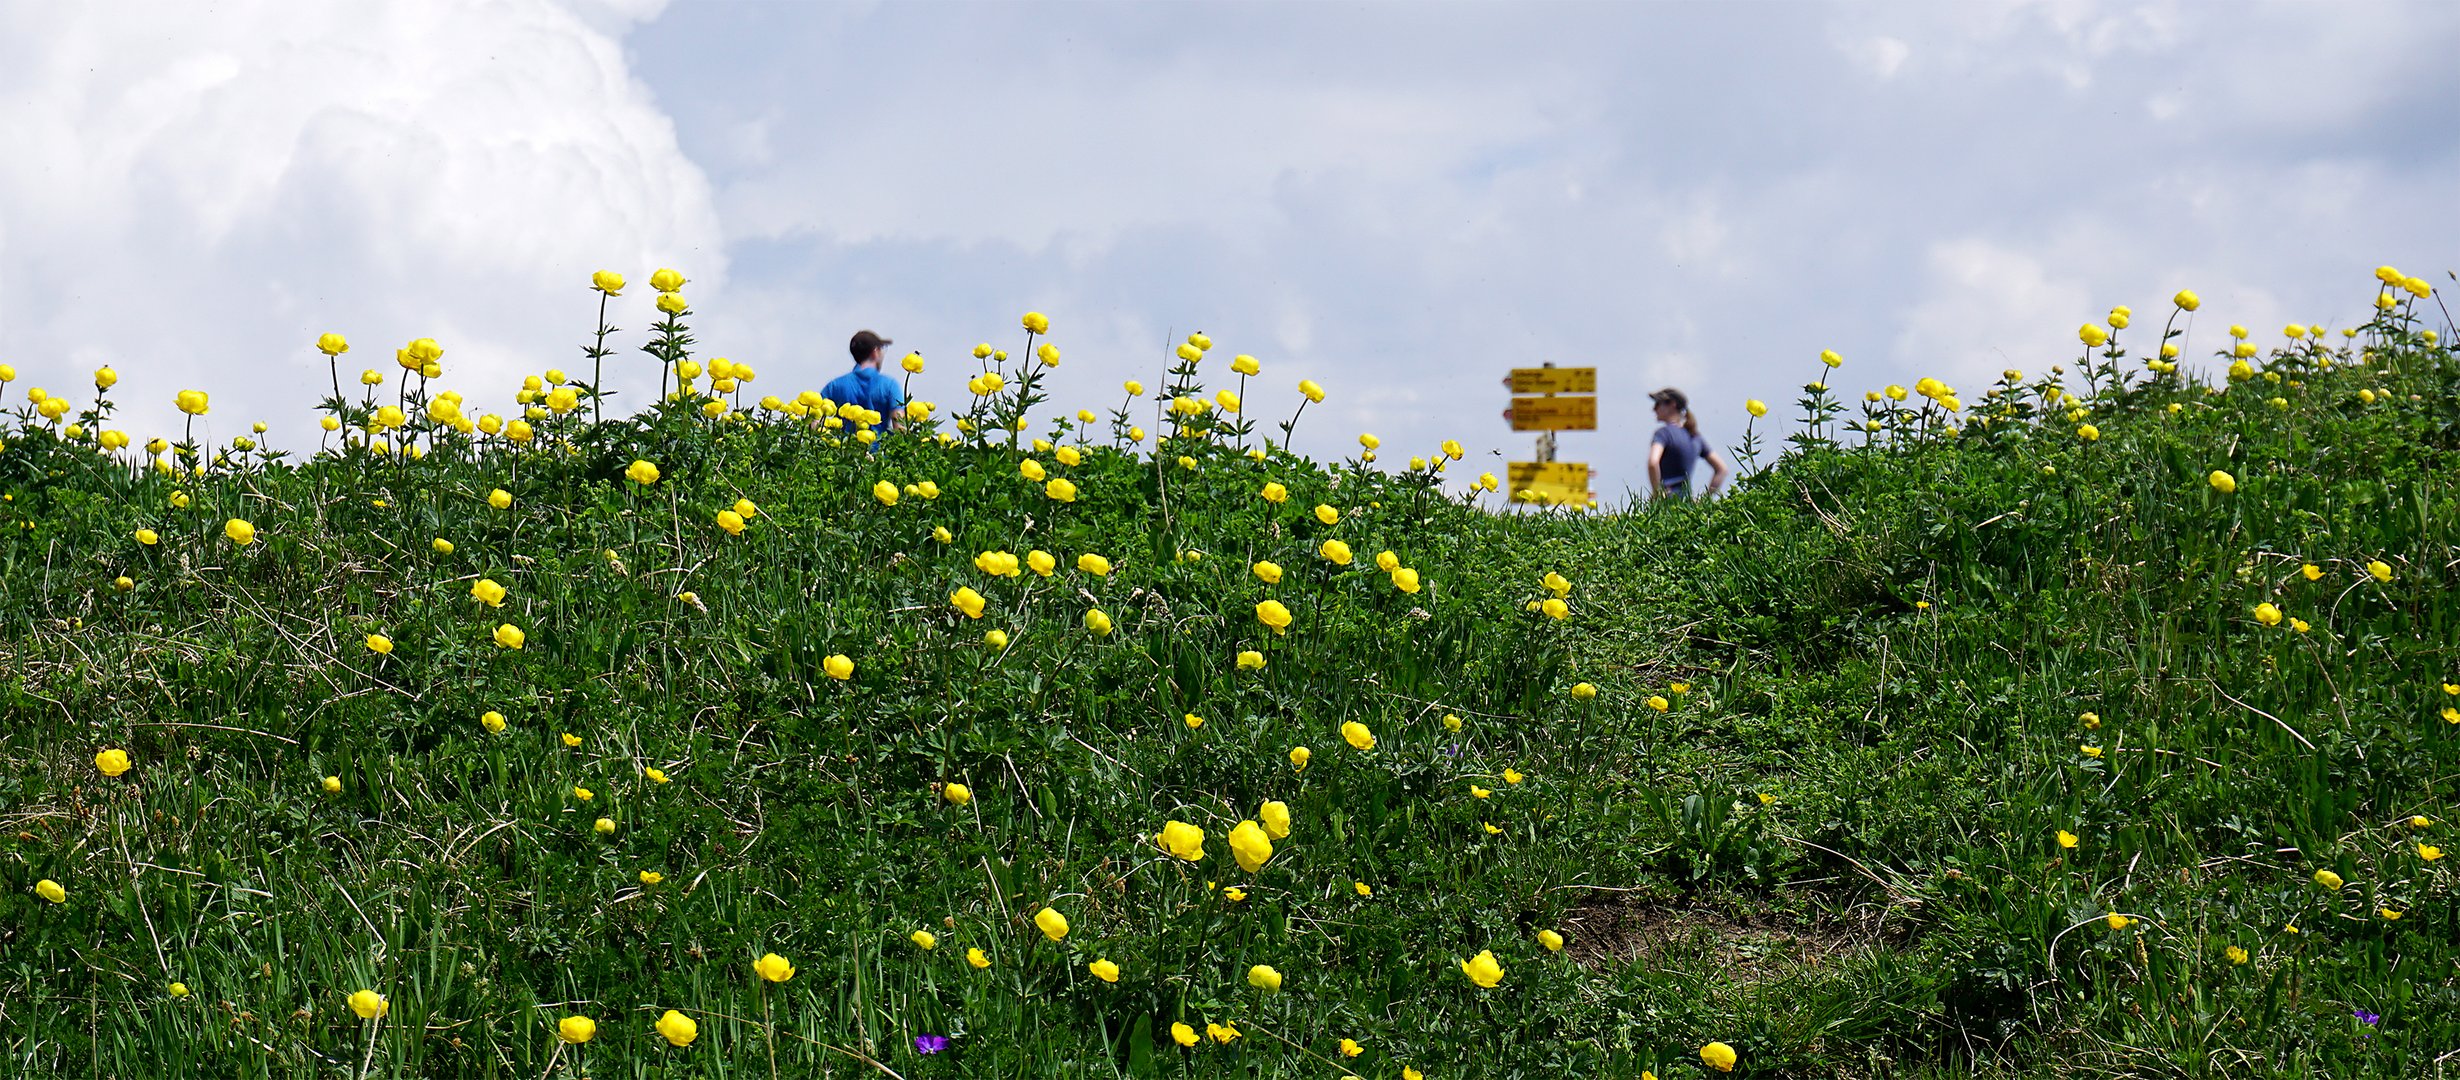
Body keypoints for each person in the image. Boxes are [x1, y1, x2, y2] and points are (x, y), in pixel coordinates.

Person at [1646, 387, 1729, 500]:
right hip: (1686, 500)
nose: (1654, 409)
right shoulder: (1695, 437)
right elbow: (1722, 469)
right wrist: (1705, 500)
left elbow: (1652, 462)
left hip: (1666, 499)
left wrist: (1657, 494)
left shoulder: (1663, 434)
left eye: (1657, 404)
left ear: (1672, 404)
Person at [824, 329, 906, 436]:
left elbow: (814, 416)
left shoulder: (835, 385)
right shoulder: (889, 384)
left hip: (843, 450)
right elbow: (899, 424)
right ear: (875, 352)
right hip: (878, 451)